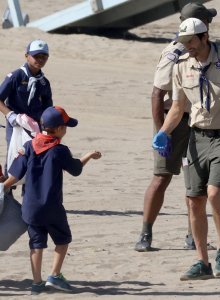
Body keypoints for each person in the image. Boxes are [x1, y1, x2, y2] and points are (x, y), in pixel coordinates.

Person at [152, 18, 220, 279]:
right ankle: (202, 261)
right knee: (193, 200)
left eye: (191, 41)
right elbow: (178, 108)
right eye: (183, 42)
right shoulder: (181, 66)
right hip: (196, 138)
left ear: (204, 37)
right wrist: (162, 132)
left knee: (214, 193)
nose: (187, 46)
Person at [134, 3, 217, 252]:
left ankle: (193, 236)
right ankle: (145, 234)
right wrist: (162, 132)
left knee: (196, 180)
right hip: (174, 122)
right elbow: (157, 95)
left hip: (198, 120)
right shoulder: (175, 52)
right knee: (161, 177)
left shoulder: (206, 51)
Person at [3, 106, 102, 294]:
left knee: (36, 244)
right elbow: (76, 169)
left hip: (30, 208)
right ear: (57, 129)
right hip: (52, 207)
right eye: (65, 126)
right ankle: (54, 275)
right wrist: (89, 155)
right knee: (63, 240)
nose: (66, 130)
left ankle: (36, 283)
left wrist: (3, 188)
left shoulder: (28, 147)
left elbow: (14, 176)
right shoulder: (60, 150)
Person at [0, 39, 52, 175]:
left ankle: (27, 192)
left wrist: (47, 126)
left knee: (34, 156)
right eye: (36, 56)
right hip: (16, 123)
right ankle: (6, 192)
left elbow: (48, 108)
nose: (40, 60)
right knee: (15, 155)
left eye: (43, 57)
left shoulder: (44, 83)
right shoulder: (16, 76)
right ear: (27, 56)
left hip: (35, 126)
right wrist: (10, 115)